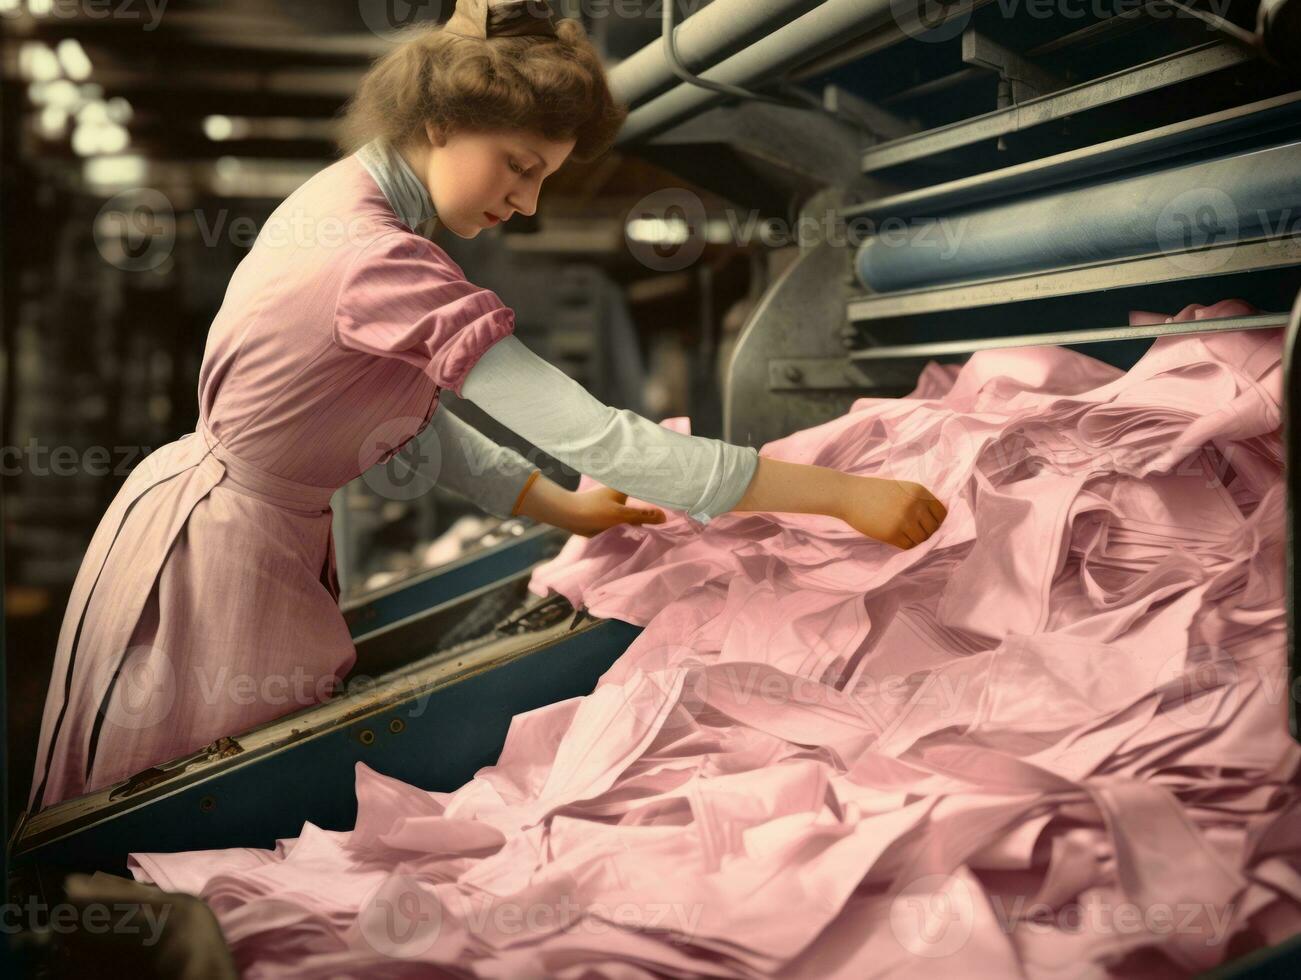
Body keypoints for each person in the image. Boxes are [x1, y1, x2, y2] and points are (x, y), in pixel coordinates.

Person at [27, 0, 945, 813]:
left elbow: (403, 413)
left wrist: (558, 506)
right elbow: (601, 437)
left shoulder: (345, 198)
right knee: (198, 822)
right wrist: (837, 494)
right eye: (517, 165)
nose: (529, 199)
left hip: (213, 522)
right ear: (439, 121)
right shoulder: (375, 256)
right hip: (218, 565)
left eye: (542, 174)